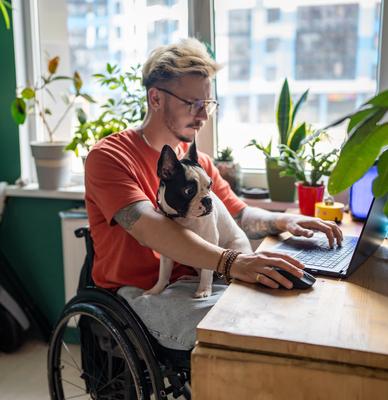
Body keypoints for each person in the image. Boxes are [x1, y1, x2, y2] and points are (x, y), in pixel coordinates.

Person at [83, 38, 342, 351]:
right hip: (139, 293)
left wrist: (286, 221)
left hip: (198, 280)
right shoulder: (110, 157)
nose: (203, 116)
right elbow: (152, 229)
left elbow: (239, 215)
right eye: (193, 104)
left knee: (280, 310)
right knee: (249, 332)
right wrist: (233, 262)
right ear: (156, 99)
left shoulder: (198, 164)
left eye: (207, 104)